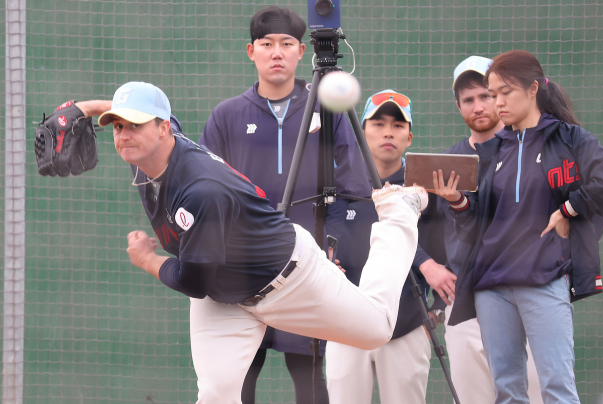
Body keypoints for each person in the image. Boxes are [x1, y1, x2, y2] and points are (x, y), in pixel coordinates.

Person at [75, 81, 428, 404]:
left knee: (377, 328)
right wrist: (87, 109)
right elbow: (160, 120)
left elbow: (194, 282)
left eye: (134, 125)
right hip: (227, 294)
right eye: (118, 126)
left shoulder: (202, 190)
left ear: (162, 128)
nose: (123, 135)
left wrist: (147, 260)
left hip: (290, 280)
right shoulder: (158, 147)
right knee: (215, 394)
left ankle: (398, 213)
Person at [432, 50, 603, 404]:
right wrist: (457, 201)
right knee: (508, 392)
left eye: (504, 92)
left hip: (544, 281)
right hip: (491, 287)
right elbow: (478, 220)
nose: (497, 102)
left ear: (533, 89)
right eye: (493, 94)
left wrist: (569, 209)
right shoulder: (491, 151)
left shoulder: (569, 139)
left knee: (557, 388)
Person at [198, 7, 370, 403]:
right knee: (237, 380)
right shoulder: (226, 116)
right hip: (241, 272)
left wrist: (334, 248)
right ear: (251, 51)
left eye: (287, 44)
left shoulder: (329, 111)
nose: (277, 52)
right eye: (267, 44)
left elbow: (355, 190)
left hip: (307, 267)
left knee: (309, 380)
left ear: (300, 52)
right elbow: (206, 191)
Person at [417, 56, 544, 404]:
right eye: (469, 99)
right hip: (465, 306)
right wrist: (429, 267)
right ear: (458, 106)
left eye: (486, 95)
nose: (479, 105)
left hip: (525, 298)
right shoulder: (442, 167)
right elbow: (414, 233)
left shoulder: (534, 152)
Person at [325, 90, 434, 404]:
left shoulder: (424, 189)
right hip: (345, 321)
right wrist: (326, 260)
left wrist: (436, 311)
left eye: (398, 126)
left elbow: (443, 249)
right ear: (361, 132)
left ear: (409, 137)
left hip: (408, 323)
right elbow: (321, 238)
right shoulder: (337, 184)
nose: (389, 132)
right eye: (378, 123)